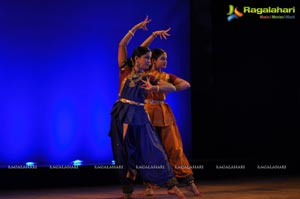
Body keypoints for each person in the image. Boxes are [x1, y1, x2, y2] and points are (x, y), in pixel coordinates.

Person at [108, 16, 187, 199]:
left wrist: (155, 88)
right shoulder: (125, 70)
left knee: (153, 149)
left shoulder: (148, 76)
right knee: (123, 152)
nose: (149, 61)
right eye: (147, 58)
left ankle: (170, 185)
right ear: (137, 59)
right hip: (122, 114)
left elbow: (172, 87)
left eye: (151, 59)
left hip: (139, 115)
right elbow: (122, 45)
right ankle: (127, 191)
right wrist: (137, 28)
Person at [140, 30, 202, 197]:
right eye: (163, 59)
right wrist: (153, 35)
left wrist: (166, 88)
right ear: (153, 60)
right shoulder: (142, 74)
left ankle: (188, 181)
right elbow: (140, 50)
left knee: (175, 148)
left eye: (166, 59)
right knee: (150, 150)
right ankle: (149, 185)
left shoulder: (166, 76)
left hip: (163, 113)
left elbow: (185, 84)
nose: (166, 61)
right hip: (147, 113)